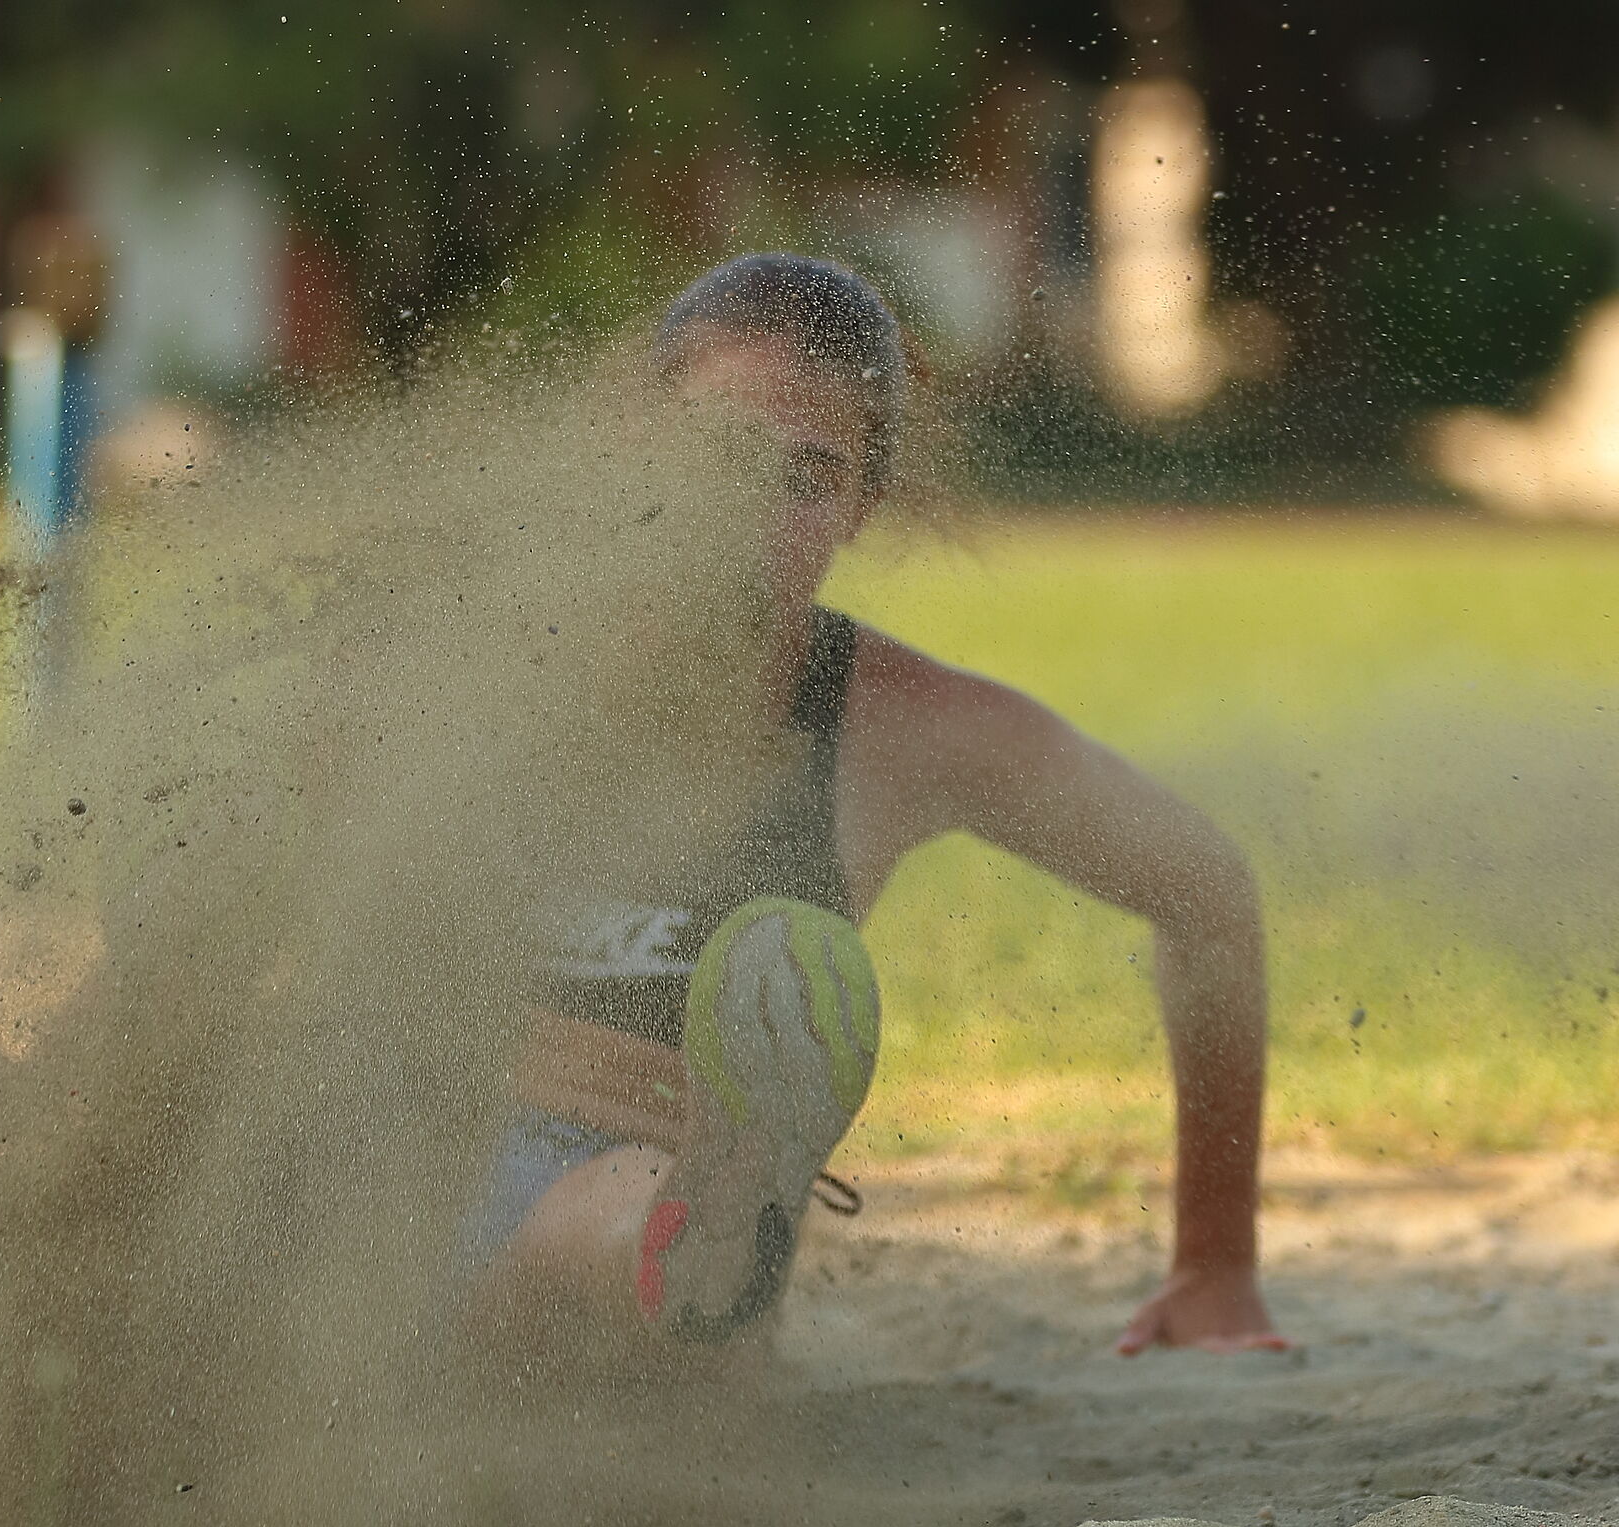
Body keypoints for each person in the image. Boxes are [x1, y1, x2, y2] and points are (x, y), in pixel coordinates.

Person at [472, 253, 1286, 1357]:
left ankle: (707, 1223)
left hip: (644, 1258)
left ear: (863, 507)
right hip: (410, 1201)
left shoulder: (905, 730)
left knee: (636, 1219)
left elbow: (1209, 895)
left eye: (808, 478)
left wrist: (1216, 1265)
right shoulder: (468, 668)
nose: (750, 512)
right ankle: (687, 1236)